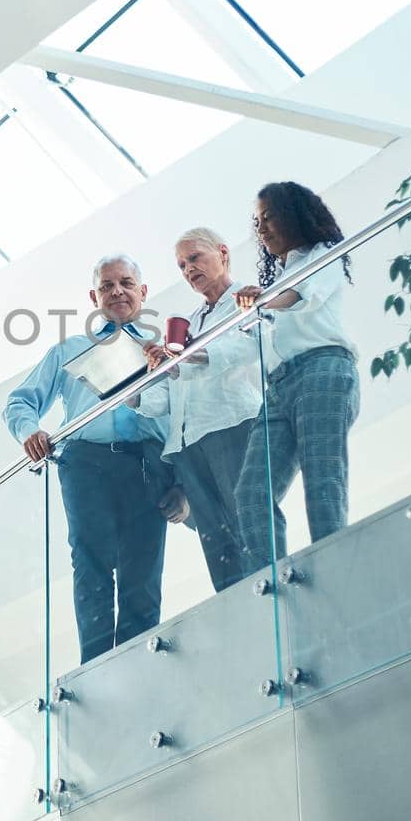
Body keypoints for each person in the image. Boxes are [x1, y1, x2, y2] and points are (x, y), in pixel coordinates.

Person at [4, 254, 167, 664]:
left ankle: (138, 667)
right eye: (108, 286)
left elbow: (177, 412)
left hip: (145, 463)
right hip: (86, 463)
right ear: (94, 297)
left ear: (142, 291)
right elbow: (19, 402)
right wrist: (30, 432)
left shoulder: (161, 349)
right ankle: (95, 668)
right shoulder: (69, 350)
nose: (117, 291)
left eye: (126, 283)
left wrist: (177, 478)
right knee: (91, 565)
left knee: (142, 571)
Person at [231, 182, 359, 575]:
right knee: (251, 493)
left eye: (268, 217)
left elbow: (300, 296)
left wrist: (263, 300)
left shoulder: (324, 255)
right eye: (256, 222)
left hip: (322, 368)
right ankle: (276, 585)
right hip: (279, 386)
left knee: (323, 482)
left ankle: (338, 575)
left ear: (293, 213)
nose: (262, 228)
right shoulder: (279, 276)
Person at [136, 228, 262, 594]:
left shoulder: (247, 299)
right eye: (181, 266)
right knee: (216, 543)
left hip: (232, 425)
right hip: (189, 444)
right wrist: (142, 384)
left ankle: (271, 603)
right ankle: (237, 611)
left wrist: (188, 357)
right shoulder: (190, 323)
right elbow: (171, 396)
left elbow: (249, 347)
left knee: (248, 524)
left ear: (223, 253)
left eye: (194, 258)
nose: (188, 269)